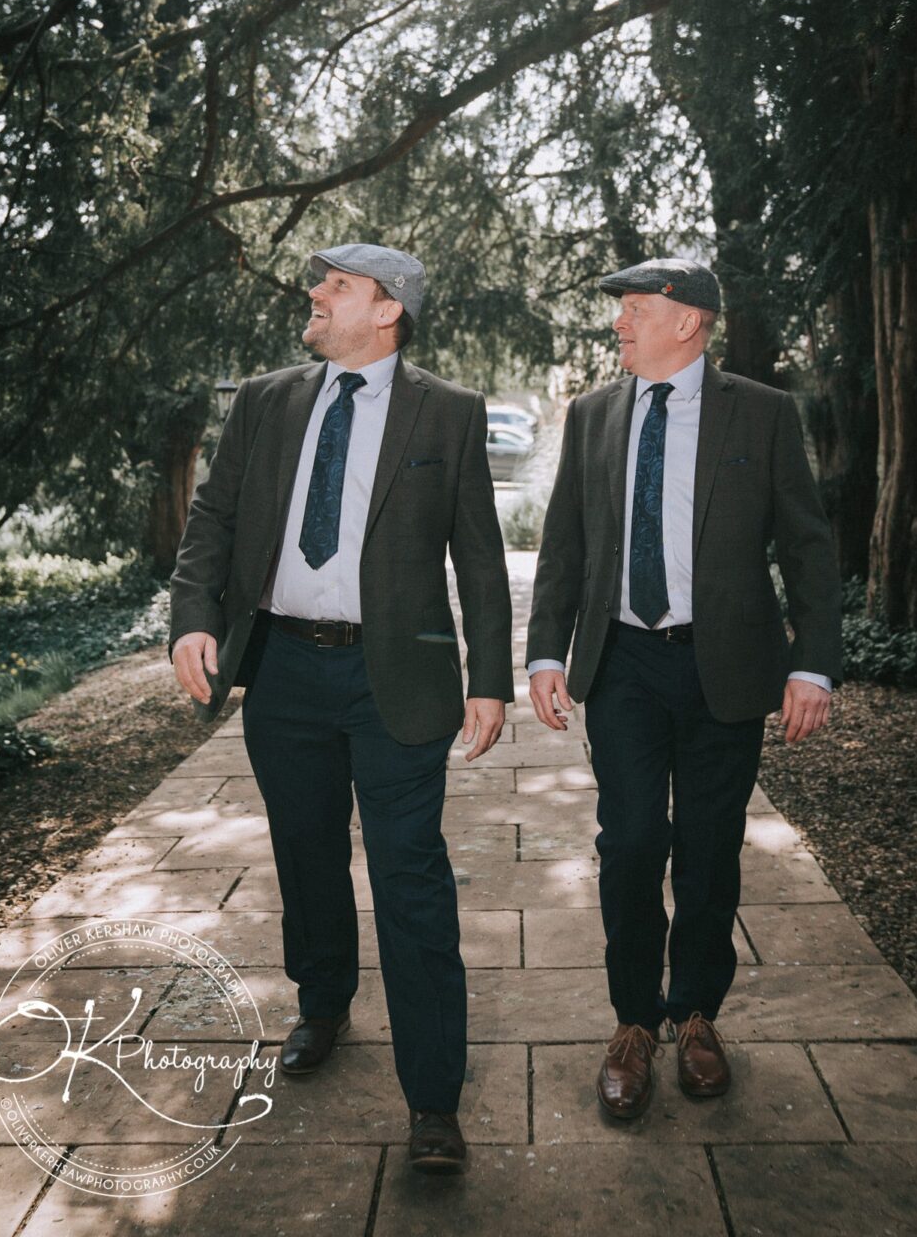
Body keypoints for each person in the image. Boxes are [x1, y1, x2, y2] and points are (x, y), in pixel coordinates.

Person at [169, 243, 512, 1172]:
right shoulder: (269, 400)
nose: (315, 295)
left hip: (395, 680)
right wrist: (192, 619)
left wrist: (489, 678)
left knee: (410, 878)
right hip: (280, 670)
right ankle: (322, 1001)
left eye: (337, 286)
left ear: (387, 310)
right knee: (306, 852)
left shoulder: (447, 411)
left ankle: (434, 1099)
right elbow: (215, 517)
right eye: (320, 284)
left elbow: (478, 554)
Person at [526, 257, 841, 1121]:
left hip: (726, 666)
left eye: (634, 310)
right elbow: (565, 546)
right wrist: (545, 653)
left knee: (707, 847)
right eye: (620, 311)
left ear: (689, 321)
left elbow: (808, 546)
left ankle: (697, 1014)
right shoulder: (591, 415)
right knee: (629, 843)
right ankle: (633, 1022)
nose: (619, 324)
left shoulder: (763, 414)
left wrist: (810, 663)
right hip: (622, 663)